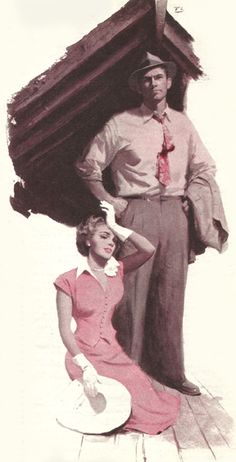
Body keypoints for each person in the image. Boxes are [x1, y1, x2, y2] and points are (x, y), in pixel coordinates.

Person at [74, 51, 219, 396]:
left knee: (171, 294)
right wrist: (111, 199)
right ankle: (128, 374)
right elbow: (87, 165)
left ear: (169, 82)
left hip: (174, 215)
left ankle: (171, 371)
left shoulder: (183, 124)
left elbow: (205, 167)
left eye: (158, 77)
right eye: (146, 78)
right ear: (138, 85)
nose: (153, 83)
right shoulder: (120, 123)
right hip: (136, 213)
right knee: (131, 296)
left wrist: (192, 197)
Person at [54, 201, 180, 435]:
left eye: (113, 239)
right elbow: (64, 330)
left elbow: (148, 249)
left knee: (151, 406)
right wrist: (85, 365)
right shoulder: (67, 280)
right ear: (88, 240)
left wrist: (114, 225)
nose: (111, 242)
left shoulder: (117, 271)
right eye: (103, 236)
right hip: (83, 356)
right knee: (115, 407)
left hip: (113, 353)